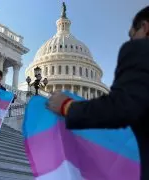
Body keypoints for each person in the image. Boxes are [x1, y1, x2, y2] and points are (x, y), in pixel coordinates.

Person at [47, 6, 149, 180]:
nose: (132, 41)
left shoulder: (141, 50)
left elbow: (122, 107)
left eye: (132, 35)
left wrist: (67, 106)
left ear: (145, 27)